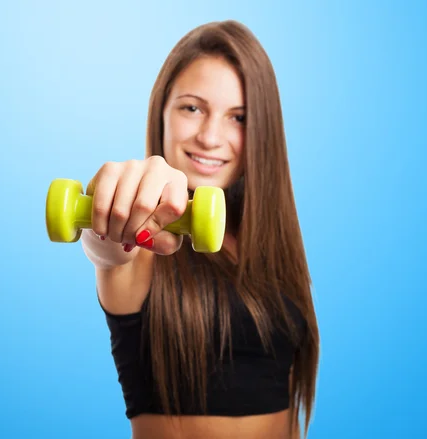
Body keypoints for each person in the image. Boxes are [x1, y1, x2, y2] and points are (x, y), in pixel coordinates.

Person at [81, 20, 320, 439]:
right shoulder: (147, 239)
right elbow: (109, 248)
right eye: (192, 108)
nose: (211, 136)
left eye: (238, 117)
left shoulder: (263, 246)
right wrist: (114, 207)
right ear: (162, 113)